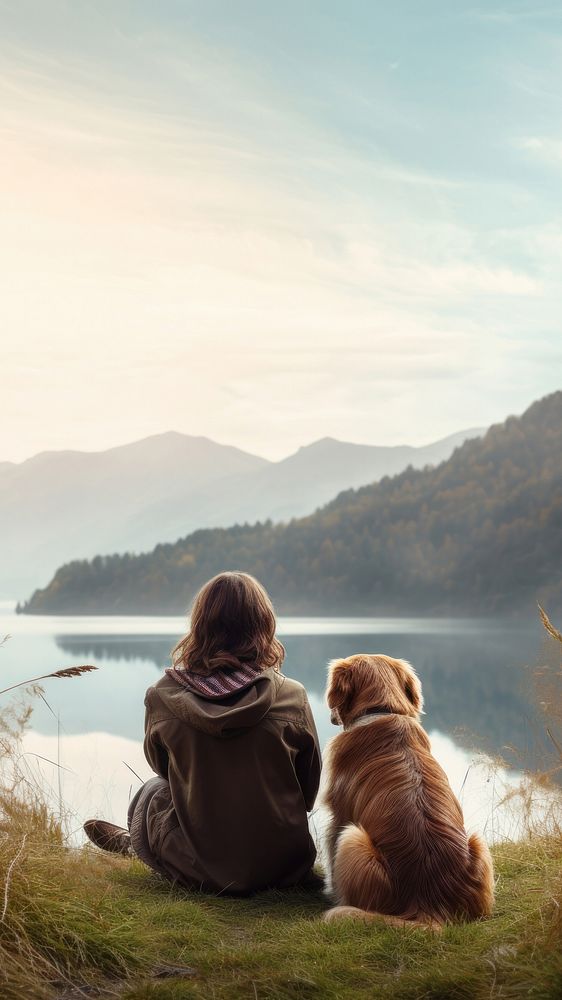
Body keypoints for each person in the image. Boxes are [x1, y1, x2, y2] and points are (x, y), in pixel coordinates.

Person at [84, 571, 322, 894]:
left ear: (199, 627)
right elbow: (308, 792)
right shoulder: (293, 696)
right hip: (284, 867)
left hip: (204, 872)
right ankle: (138, 846)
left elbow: (164, 770)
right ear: (264, 626)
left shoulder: (162, 697)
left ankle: (136, 846)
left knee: (153, 792)